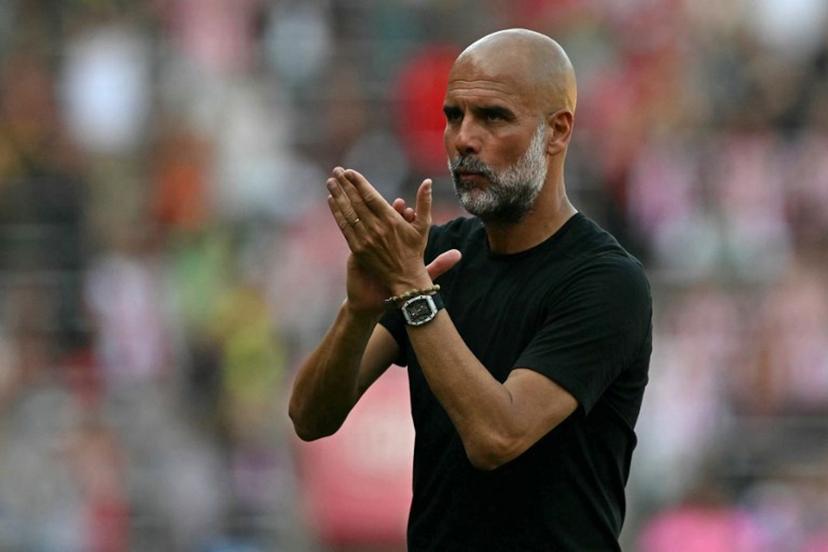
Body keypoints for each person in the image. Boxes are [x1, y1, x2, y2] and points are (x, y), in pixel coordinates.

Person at [289, 28, 652, 551]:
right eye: (453, 115)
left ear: (557, 131)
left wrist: (414, 292)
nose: (463, 138)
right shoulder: (438, 257)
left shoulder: (605, 281)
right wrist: (358, 309)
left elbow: (498, 436)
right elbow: (309, 417)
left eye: (493, 116)